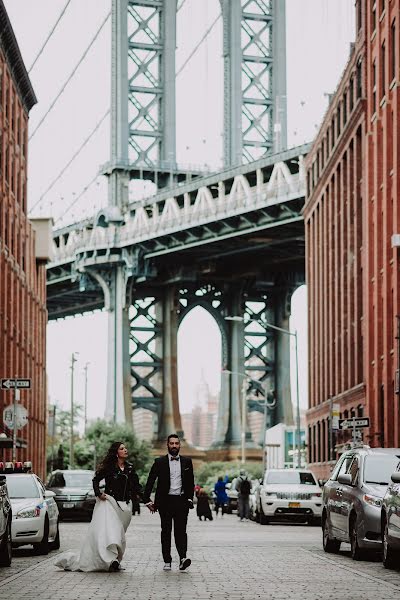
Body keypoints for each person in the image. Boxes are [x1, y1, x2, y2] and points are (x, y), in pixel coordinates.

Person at [55, 441, 144, 572]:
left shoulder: (130, 468)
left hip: (124, 505)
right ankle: (111, 560)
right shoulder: (109, 468)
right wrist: (98, 493)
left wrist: (147, 501)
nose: (125, 450)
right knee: (112, 531)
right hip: (109, 502)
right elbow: (96, 479)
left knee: (120, 534)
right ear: (116, 453)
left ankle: (116, 560)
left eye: (125, 448)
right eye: (122, 448)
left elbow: (137, 486)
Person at [144, 433, 194, 572]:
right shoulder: (159, 462)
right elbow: (150, 481)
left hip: (181, 501)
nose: (174, 446)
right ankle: (167, 560)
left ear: (179, 445)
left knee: (181, 532)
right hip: (164, 502)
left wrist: (189, 498)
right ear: (167, 445)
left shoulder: (187, 462)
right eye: (171, 443)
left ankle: (183, 558)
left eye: (176, 443)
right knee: (166, 531)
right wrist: (146, 499)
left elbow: (190, 482)